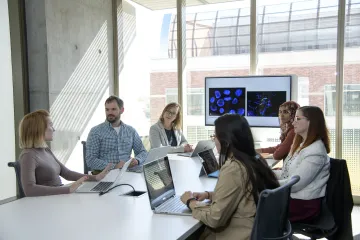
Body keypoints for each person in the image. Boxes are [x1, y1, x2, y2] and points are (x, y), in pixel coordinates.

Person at [180, 114, 279, 240]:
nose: (214, 140)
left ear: (226, 140)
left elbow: (215, 219)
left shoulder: (234, 168)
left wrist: (190, 202)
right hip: (256, 230)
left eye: (215, 136)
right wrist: (209, 195)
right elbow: (243, 195)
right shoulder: (255, 159)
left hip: (239, 234)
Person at [19, 110, 111, 197]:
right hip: (47, 203)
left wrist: (95, 178)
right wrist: (67, 190)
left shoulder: (45, 150)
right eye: (50, 125)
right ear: (38, 129)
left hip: (58, 196)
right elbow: (29, 190)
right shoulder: (28, 155)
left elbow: (66, 173)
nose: (53, 129)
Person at [274, 106, 330, 222]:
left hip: (304, 205)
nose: (293, 122)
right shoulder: (300, 145)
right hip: (292, 199)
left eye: (298, 119)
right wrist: (265, 174)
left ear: (312, 122)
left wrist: (266, 181)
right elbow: (287, 173)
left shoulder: (315, 151)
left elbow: (294, 185)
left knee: (253, 206)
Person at [86, 96, 147, 174]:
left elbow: (142, 152)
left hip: (127, 173)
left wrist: (137, 160)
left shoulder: (131, 131)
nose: (109, 113)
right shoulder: (96, 131)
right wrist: (114, 166)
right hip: (104, 175)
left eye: (113, 109)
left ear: (122, 110)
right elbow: (90, 160)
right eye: (107, 109)